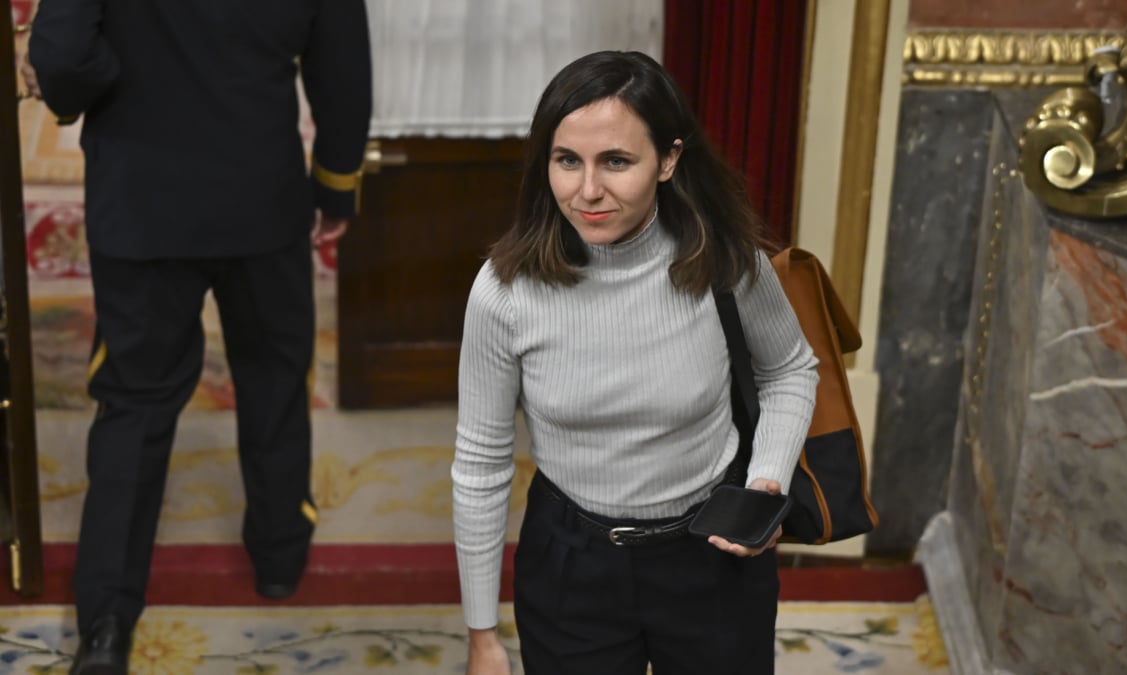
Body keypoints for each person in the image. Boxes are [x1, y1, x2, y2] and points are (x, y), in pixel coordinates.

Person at [23, 1, 371, 672]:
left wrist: (109, 86)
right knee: (273, 371)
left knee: (134, 400)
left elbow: (61, 55)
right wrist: (336, 185)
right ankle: (278, 557)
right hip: (260, 194)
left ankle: (105, 625)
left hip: (140, 197)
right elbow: (342, 67)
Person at [452, 50, 820, 675]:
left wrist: (766, 483)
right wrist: (481, 632)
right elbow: (481, 463)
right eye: (567, 161)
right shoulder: (503, 292)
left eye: (616, 161)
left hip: (712, 555)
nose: (587, 190)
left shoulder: (725, 261)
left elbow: (790, 369)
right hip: (570, 562)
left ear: (669, 160)